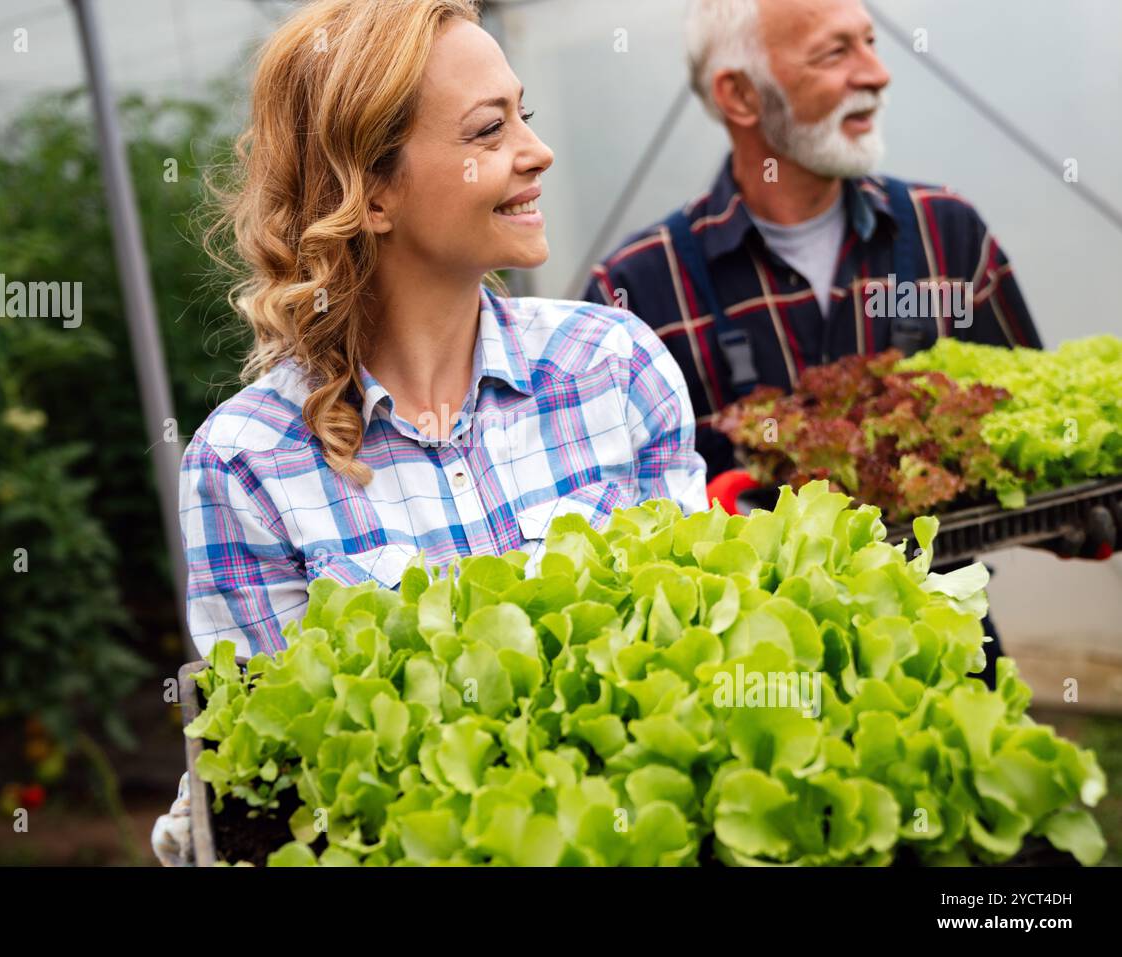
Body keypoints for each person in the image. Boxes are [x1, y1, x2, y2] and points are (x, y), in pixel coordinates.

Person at [152, 0, 708, 865]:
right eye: (489, 131)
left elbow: (700, 667)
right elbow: (282, 784)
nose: (536, 150)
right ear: (370, 193)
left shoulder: (615, 366)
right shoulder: (246, 465)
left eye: (526, 115)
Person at [581, 0, 1076, 692]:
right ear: (741, 94)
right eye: (834, 52)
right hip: (749, 684)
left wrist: (1080, 514)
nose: (876, 73)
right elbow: (615, 537)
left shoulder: (947, 236)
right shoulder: (639, 290)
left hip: (948, 654)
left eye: (869, 42)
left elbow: (1036, 445)